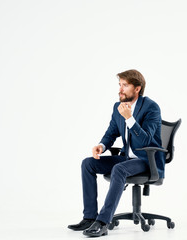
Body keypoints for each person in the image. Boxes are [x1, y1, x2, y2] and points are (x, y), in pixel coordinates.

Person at [67, 69, 165, 237]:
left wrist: (130, 119)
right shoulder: (117, 107)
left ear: (137, 89)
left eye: (125, 85)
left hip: (146, 160)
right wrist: (102, 146)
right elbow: (111, 132)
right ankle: (89, 217)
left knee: (119, 169)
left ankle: (103, 222)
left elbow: (146, 141)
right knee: (88, 163)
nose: (120, 89)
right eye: (119, 85)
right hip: (126, 158)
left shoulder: (151, 107)